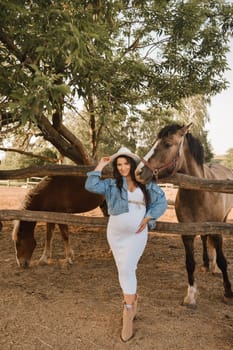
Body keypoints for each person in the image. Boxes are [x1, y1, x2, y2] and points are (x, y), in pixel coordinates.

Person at [85, 147, 167, 342]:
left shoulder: (145, 184)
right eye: (119, 164)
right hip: (115, 234)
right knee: (124, 268)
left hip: (137, 235)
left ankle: (127, 312)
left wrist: (149, 218)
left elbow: (161, 201)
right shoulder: (112, 184)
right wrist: (101, 165)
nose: (122, 168)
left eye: (126, 163)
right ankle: (132, 303)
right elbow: (91, 184)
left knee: (127, 269)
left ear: (132, 164)